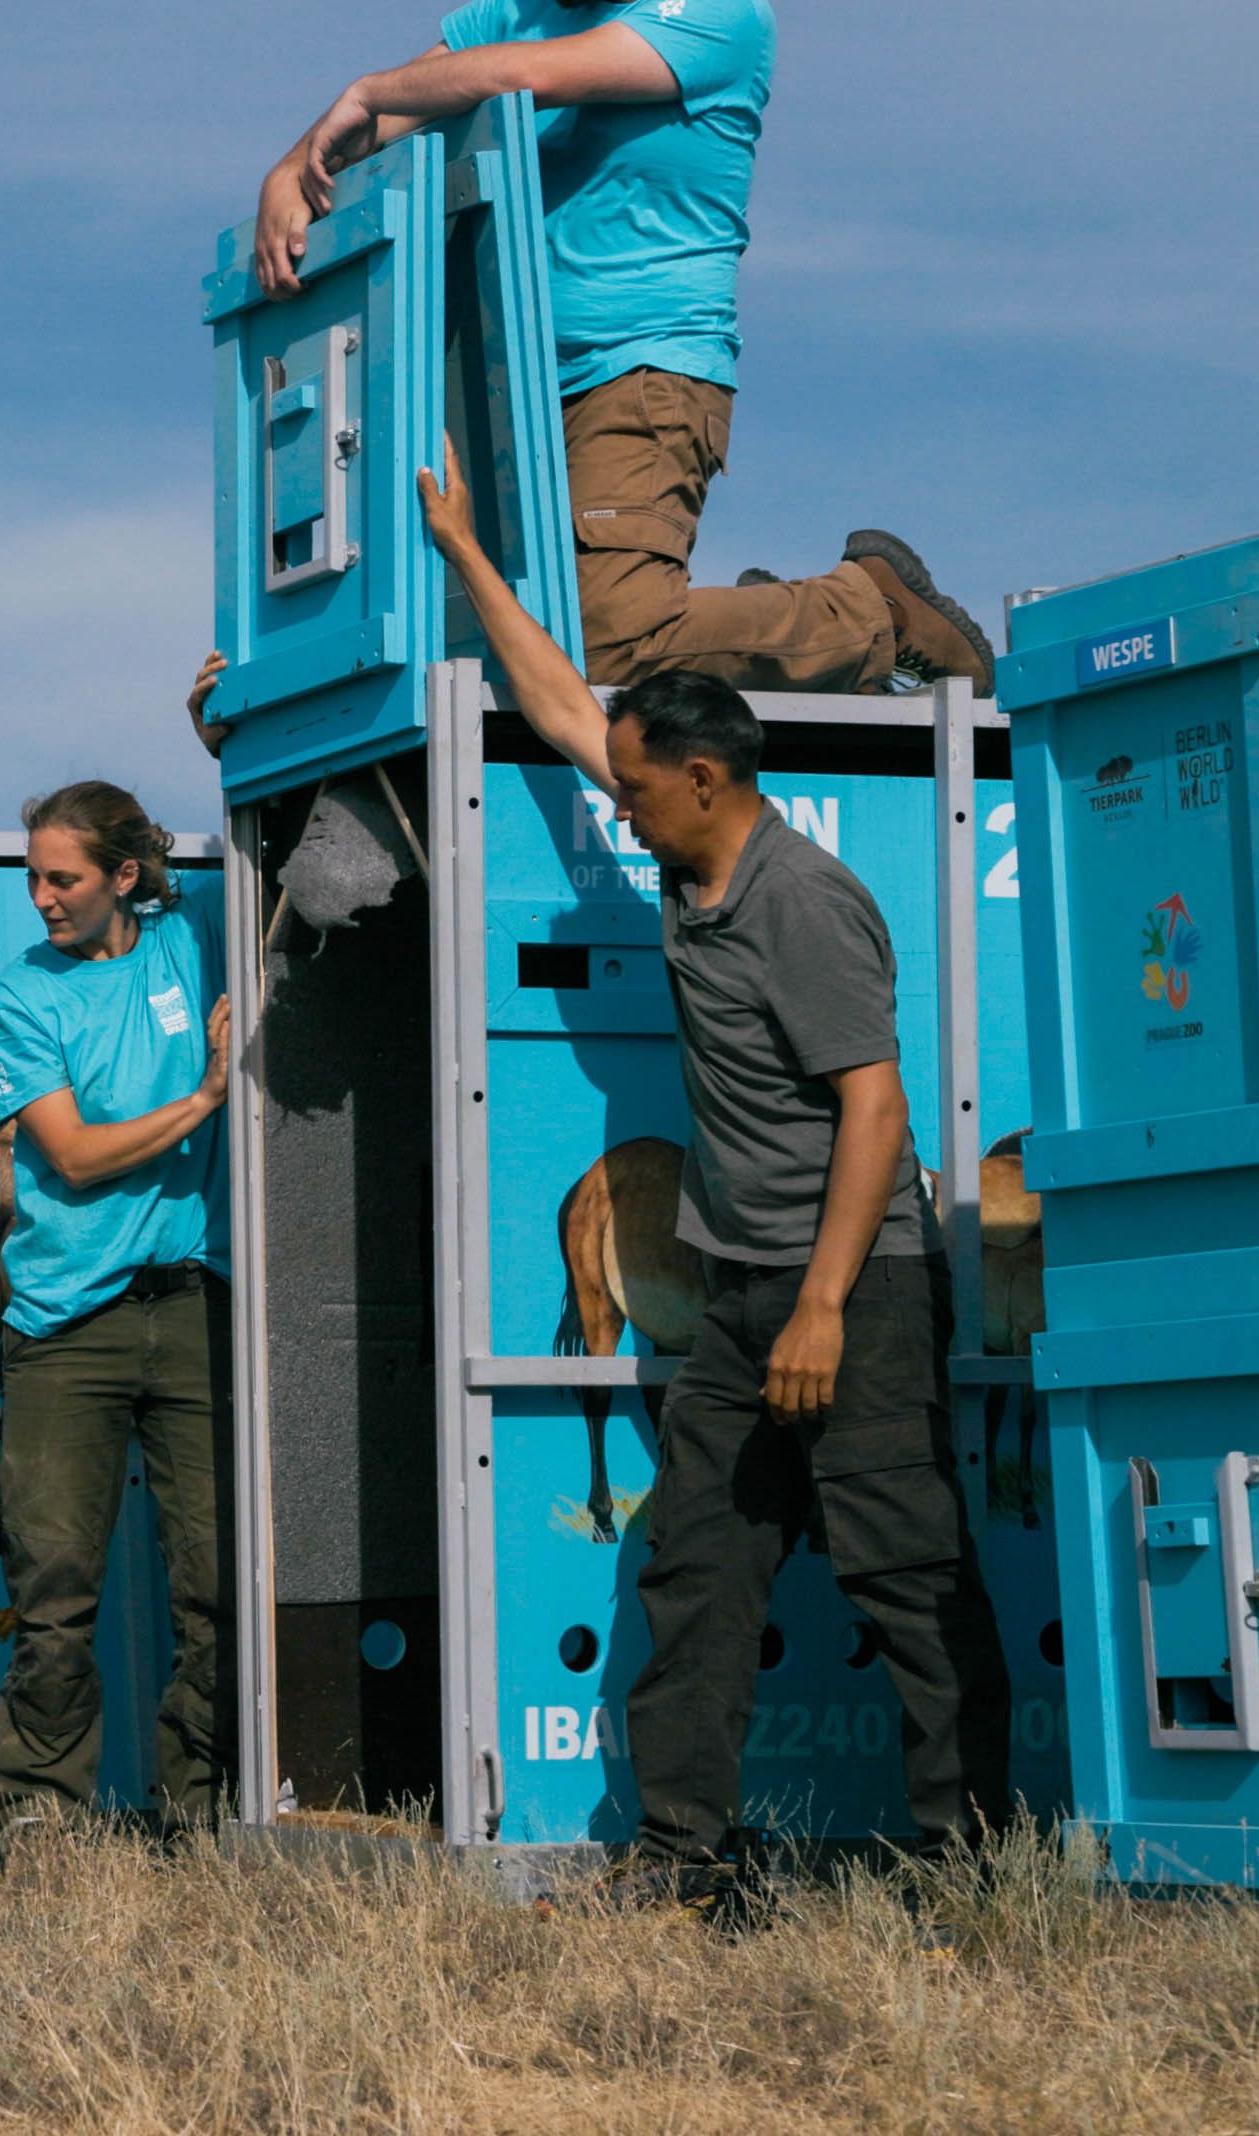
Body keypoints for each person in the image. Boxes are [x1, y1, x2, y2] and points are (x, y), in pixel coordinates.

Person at [416, 452, 1014, 1908]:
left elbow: (874, 1111)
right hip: (748, 1296)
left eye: (635, 790)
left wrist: (818, 1308)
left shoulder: (803, 901)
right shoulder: (693, 869)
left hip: (852, 1293)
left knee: (903, 1571)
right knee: (696, 1565)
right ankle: (684, 1860)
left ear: (706, 780)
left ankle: (973, 1868)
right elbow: (568, 703)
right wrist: (462, 551)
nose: (615, 807)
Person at [249, 0, 993, 696]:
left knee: (603, 639)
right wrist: (291, 168)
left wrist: (370, 91)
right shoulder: (521, 1)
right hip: (512, 388)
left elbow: (521, 78)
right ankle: (773, 625)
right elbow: (391, 115)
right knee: (494, 638)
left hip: (644, 373)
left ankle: (873, 614)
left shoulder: (720, 8)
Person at [0, 782, 235, 1830]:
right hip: (62, 1327)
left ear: (125, 877)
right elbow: (74, 1160)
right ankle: (39, 1823)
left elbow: (284, 834)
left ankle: (202, 1815)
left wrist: (224, 736)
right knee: (55, 1596)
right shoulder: (19, 997)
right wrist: (203, 1101)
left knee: (219, 1585)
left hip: (194, 1312)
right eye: (31, 876)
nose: (39, 897)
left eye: (62, 877)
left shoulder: (190, 939)